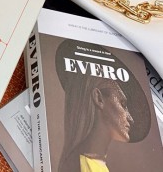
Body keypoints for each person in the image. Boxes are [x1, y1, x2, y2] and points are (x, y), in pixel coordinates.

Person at [55, 39, 151, 172]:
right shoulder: (86, 166)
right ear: (99, 98)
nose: (130, 118)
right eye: (123, 104)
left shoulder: (90, 163)